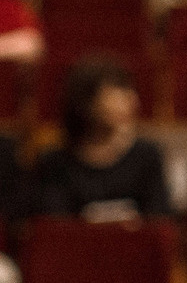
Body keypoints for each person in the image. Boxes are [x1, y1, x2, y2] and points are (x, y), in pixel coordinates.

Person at [31, 56, 171, 220]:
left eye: (130, 91)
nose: (132, 101)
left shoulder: (147, 157)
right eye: (118, 92)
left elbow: (160, 225)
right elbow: (54, 231)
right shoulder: (55, 163)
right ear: (86, 103)